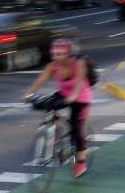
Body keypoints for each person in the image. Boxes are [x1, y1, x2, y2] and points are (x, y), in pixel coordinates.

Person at [22, 38, 92, 178]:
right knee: (47, 104)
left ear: (68, 54)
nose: (56, 57)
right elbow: (40, 80)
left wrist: (73, 96)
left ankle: (80, 162)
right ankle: (55, 132)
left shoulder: (78, 63)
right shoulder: (53, 66)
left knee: (76, 128)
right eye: (54, 54)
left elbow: (79, 82)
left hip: (81, 97)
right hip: (63, 94)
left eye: (60, 54)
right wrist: (28, 94)